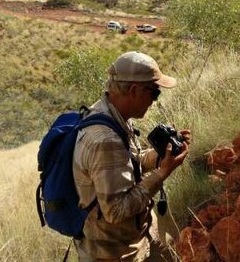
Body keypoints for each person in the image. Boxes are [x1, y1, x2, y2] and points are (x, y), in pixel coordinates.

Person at [72, 51, 190, 261]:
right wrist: (163, 173)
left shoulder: (113, 114)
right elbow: (116, 211)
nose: (155, 100)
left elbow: (128, 162)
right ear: (134, 90)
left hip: (139, 236)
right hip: (115, 253)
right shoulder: (105, 140)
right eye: (154, 92)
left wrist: (162, 155)